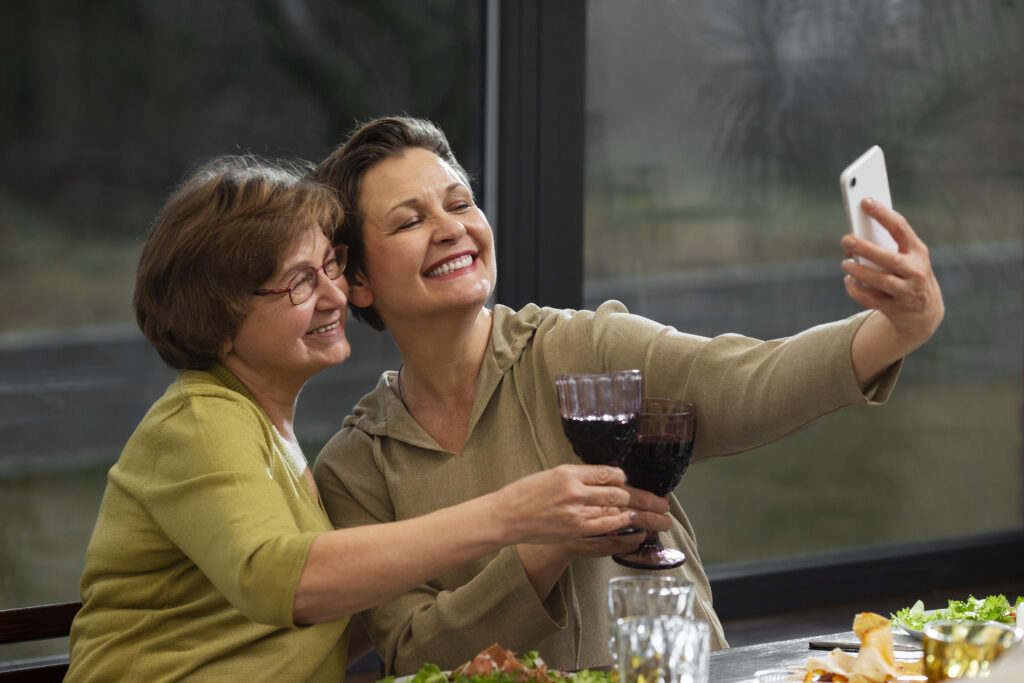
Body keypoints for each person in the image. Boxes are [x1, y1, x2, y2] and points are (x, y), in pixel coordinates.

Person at [310, 116, 945, 675]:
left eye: (461, 203)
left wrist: (894, 331)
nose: (451, 229)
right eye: (411, 220)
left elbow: (746, 380)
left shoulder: (583, 348)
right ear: (358, 278)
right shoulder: (357, 467)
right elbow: (416, 657)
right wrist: (544, 544)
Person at [65, 155, 668, 682]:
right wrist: (509, 515)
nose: (334, 295)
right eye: (299, 282)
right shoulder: (199, 419)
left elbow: (340, 612)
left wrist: (538, 543)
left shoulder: (269, 434)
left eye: (331, 265)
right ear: (215, 317)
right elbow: (280, 578)